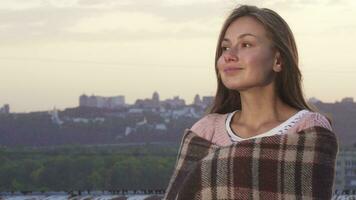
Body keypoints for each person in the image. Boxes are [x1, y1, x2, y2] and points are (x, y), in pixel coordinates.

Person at [190, 5, 333, 147]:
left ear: (278, 60)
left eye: (246, 44)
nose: (229, 56)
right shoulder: (205, 130)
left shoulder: (309, 127)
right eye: (225, 48)